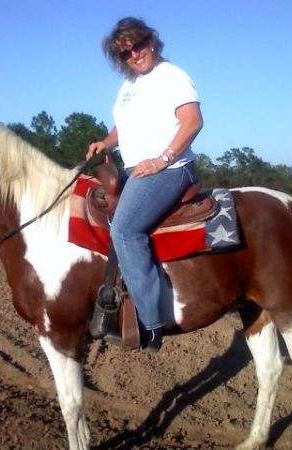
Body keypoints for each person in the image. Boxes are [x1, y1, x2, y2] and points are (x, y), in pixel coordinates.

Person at [86, 17, 203, 352]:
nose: (134, 54)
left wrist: (162, 159)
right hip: (137, 169)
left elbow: (193, 121)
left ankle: (151, 322)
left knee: (125, 230)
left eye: (137, 45)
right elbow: (123, 126)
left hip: (170, 169)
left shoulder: (171, 76)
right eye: (125, 53)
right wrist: (106, 142)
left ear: (151, 41)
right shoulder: (129, 86)